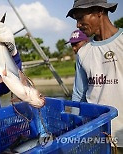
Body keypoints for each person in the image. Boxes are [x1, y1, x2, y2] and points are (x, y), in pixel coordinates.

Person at [66, 0, 123, 152]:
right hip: (97, 137)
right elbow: (79, 95)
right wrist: (75, 128)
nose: (78, 25)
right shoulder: (83, 53)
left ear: (99, 11)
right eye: (76, 20)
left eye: (80, 18)